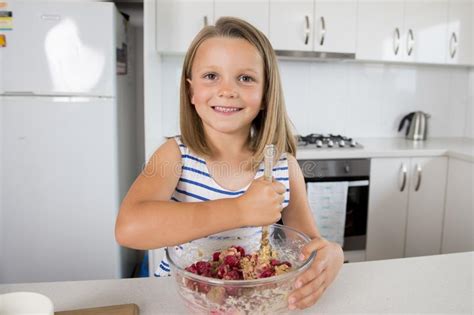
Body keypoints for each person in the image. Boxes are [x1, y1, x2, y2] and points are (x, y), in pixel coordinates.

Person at [115, 17, 343, 310]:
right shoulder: (175, 156)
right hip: (182, 299)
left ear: (265, 95)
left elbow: (309, 248)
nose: (227, 90)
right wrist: (239, 210)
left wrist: (332, 255)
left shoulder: (285, 167)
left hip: (255, 300)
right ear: (191, 92)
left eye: (245, 78)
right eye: (211, 76)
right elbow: (129, 228)